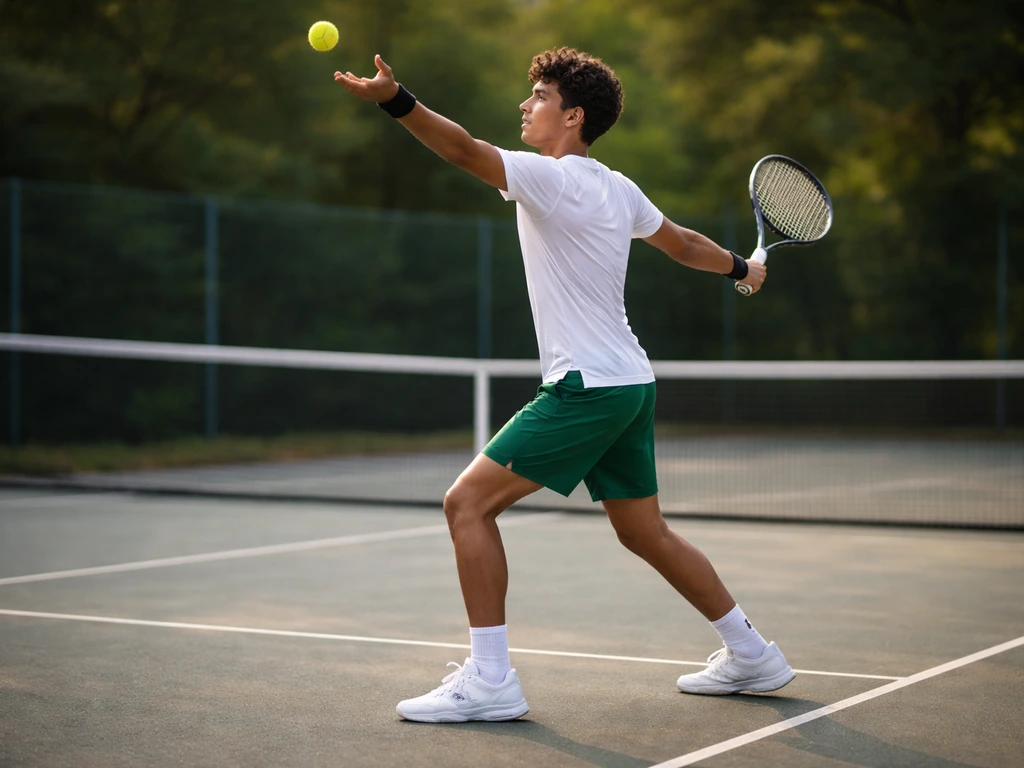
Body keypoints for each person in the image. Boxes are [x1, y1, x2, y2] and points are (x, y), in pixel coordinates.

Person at [334, 47, 793, 723]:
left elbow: (461, 150)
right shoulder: (617, 186)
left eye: (540, 96)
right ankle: (753, 653)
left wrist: (394, 101)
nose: (526, 105)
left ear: (573, 116)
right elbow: (684, 244)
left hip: (587, 388)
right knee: (645, 533)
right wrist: (739, 270)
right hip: (631, 383)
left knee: (467, 506)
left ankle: (490, 680)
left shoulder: (551, 179)